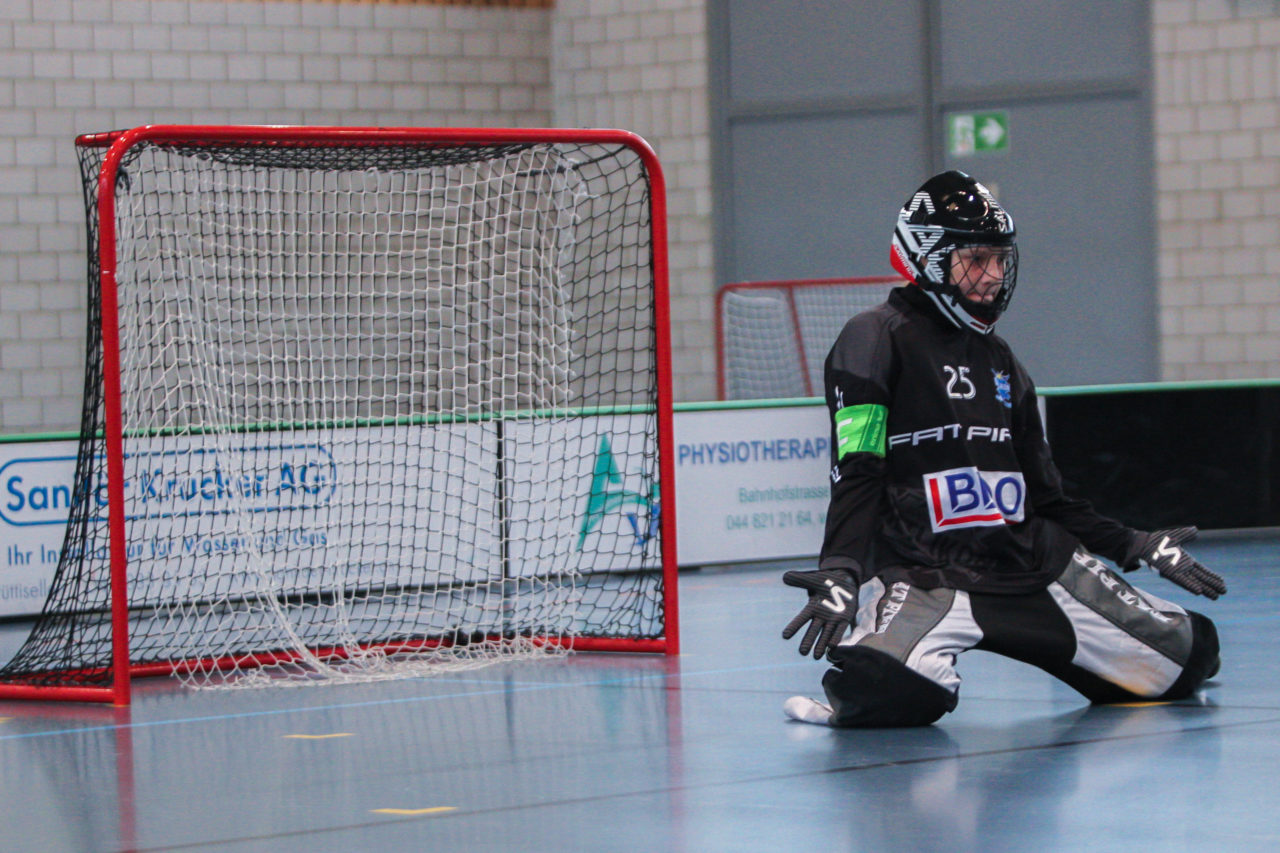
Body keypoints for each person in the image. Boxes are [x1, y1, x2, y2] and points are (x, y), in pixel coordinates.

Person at [781, 170, 1225, 728]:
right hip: (925, 575)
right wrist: (842, 570)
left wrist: (1135, 543)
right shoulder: (872, 339)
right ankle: (847, 692)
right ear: (927, 256)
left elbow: (1049, 498)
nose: (993, 276)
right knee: (886, 690)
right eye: (976, 259)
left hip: (1032, 567)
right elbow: (858, 467)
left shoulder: (1001, 361)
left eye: (999, 260)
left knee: (1190, 659)